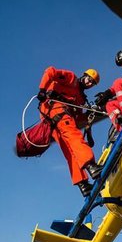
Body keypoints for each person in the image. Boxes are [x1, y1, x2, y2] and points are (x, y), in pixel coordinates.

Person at [15, 66, 103, 197]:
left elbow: (78, 118)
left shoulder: (81, 99)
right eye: (89, 80)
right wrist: (42, 89)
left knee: (69, 150)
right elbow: (50, 71)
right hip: (57, 112)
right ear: (84, 76)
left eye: (92, 83)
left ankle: (83, 184)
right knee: (75, 137)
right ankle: (91, 166)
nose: (89, 84)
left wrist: (89, 114)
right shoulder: (71, 78)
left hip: (56, 120)